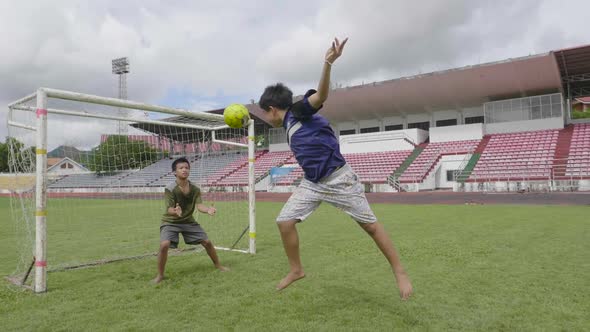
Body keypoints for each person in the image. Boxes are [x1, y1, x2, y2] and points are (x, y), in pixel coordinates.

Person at [258, 37, 413, 300]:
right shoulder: (289, 125)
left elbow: (321, 96)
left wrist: (327, 63)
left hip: (340, 180)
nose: (265, 118)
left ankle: (399, 271)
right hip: (312, 183)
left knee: (371, 227)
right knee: (284, 222)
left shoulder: (298, 112)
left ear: (272, 109)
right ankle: (296, 270)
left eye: (265, 113)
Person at [153, 157, 228, 284]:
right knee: (164, 245)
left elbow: (199, 206)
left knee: (207, 242)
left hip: (188, 221)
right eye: (181, 168)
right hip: (170, 221)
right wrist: (175, 212)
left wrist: (208, 210)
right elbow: (169, 209)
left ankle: (218, 265)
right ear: (174, 172)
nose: (184, 170)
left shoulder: (195, 189)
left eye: (187, 168)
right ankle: (160, 275)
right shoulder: (170, 188)